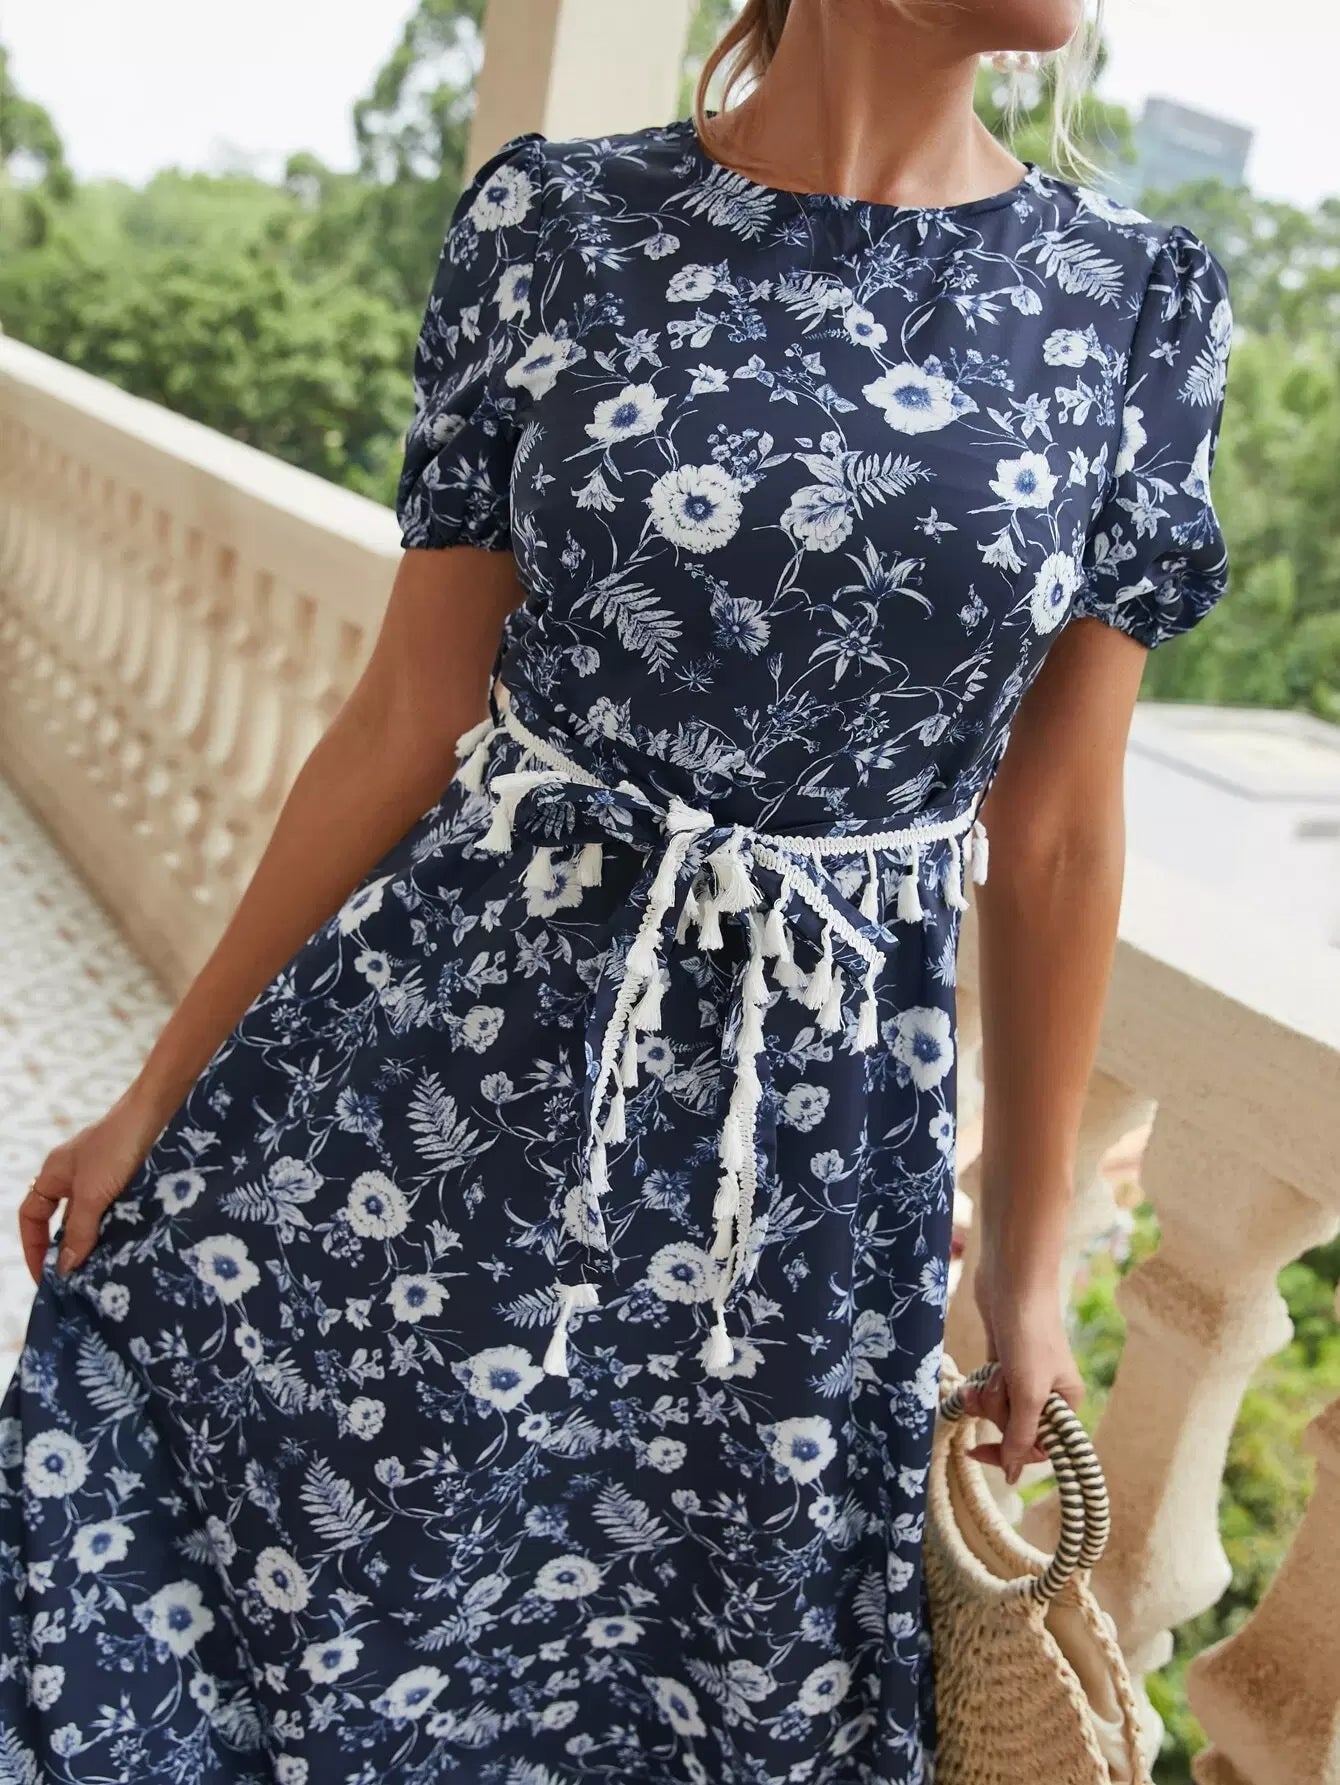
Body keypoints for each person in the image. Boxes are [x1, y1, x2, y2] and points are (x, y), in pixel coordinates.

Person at [2, 1, 1233, 1779]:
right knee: (361, 1600)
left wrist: (1028, 1270)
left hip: (805, 1173)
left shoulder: (1131, 304)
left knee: (691, 1676)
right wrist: (156, 1089)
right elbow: (408, 710)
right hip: (454, 1086)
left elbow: (1052, 833)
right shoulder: (557, 223)